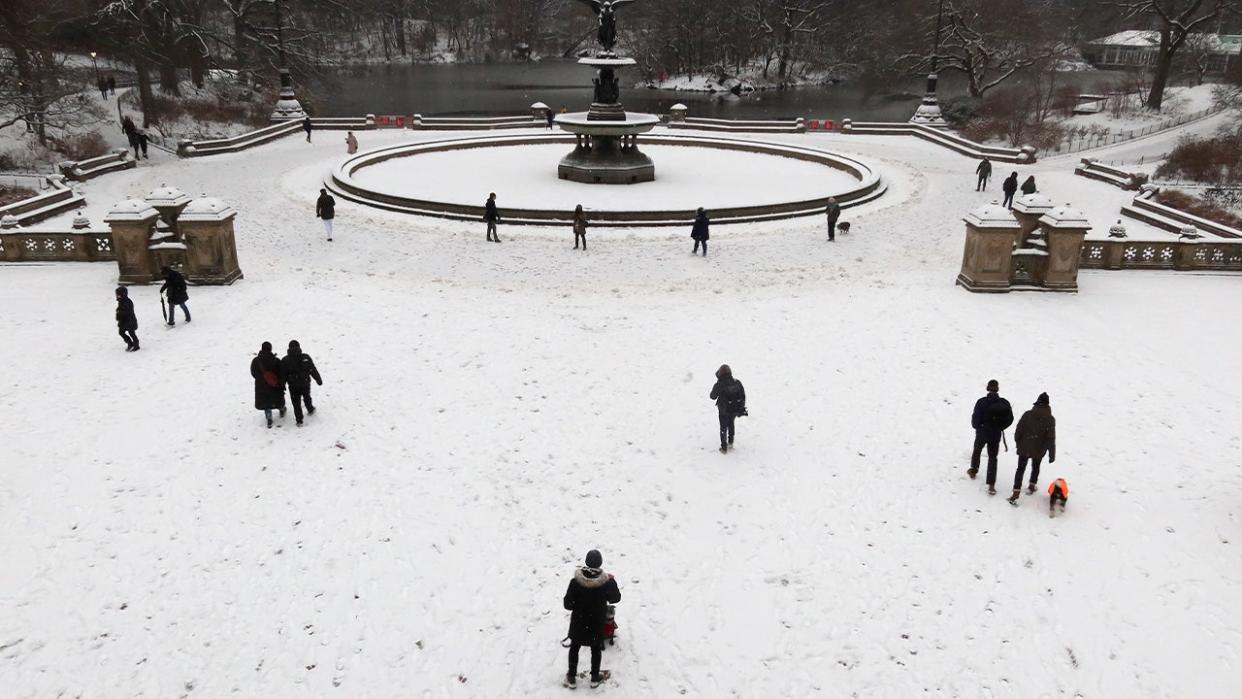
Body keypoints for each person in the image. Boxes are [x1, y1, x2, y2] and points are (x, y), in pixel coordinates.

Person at [563, 549, 621, 689]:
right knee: (595, 650)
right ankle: (595, 677)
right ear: (600, 563)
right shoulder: (605, 583)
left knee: (574, 648)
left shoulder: (575, 582)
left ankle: (571, 677)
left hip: (579, 622)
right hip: (596, 623)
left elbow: (567, 605)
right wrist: (612, 581)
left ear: (586, 562)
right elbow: (615, 598)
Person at [1008, 393, 1056, 504]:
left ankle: (1016, 492)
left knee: (1020, 469)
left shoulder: (1028, 414)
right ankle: (1031, 486)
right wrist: (1051, 454)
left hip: (1024, 447)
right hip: (1039, 449)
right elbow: (1051, 438)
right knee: (1036, 466)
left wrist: (1018, 442)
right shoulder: (1050, 419)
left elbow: (1018, 430)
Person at [969, 379, 1013, 494]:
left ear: (987, 388)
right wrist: (1000, 427)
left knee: (977, 450)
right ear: (997, 389)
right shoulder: (1004, 403)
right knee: (993, 458)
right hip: (995, 434)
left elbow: (975, 420)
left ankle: (973, 470)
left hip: (982, 432)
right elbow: (1010, 419)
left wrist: (978, 427)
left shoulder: (981, 402)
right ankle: (991, 485)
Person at [281, 340, 323, 427]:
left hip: (293, 385)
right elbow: (312, 369)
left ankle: (299, 420)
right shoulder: (305, 357)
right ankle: (310, 409)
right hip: (305, 383)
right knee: (307, 396)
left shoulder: (285, 360)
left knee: (296, 403)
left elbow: (283, 374)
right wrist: (318, 379)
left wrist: (282, 385)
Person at [709, 364, 746, 453]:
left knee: (723, 427)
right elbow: (743, 396)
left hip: (723, 410)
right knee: (731, 423)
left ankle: (724, 447)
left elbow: (712, 396)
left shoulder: (719, 384)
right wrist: (741, 407)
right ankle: (730, 442)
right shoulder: (737, 382)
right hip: (734, 409)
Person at [250, 341, 287, 428]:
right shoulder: (276, 361)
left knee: (265, 402)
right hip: (274, 385)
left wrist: (261, 379)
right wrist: (281, 383)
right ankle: (281, 410)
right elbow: (281, 373)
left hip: (261, 386)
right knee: (277, 399)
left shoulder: (256, 361)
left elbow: (253, 373)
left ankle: (269, 417)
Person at [115, 286, 139, 352]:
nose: (117, 296)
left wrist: (120, 312)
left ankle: (136, 345)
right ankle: (130, 343)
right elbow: (120, 310)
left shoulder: (128, 302)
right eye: (117, 295)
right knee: (121, 332)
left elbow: (127, 311)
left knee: (132, 333)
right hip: (123, 321)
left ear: (123, 294)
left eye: (118, 295)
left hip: (130, 321)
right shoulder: (121, 301)